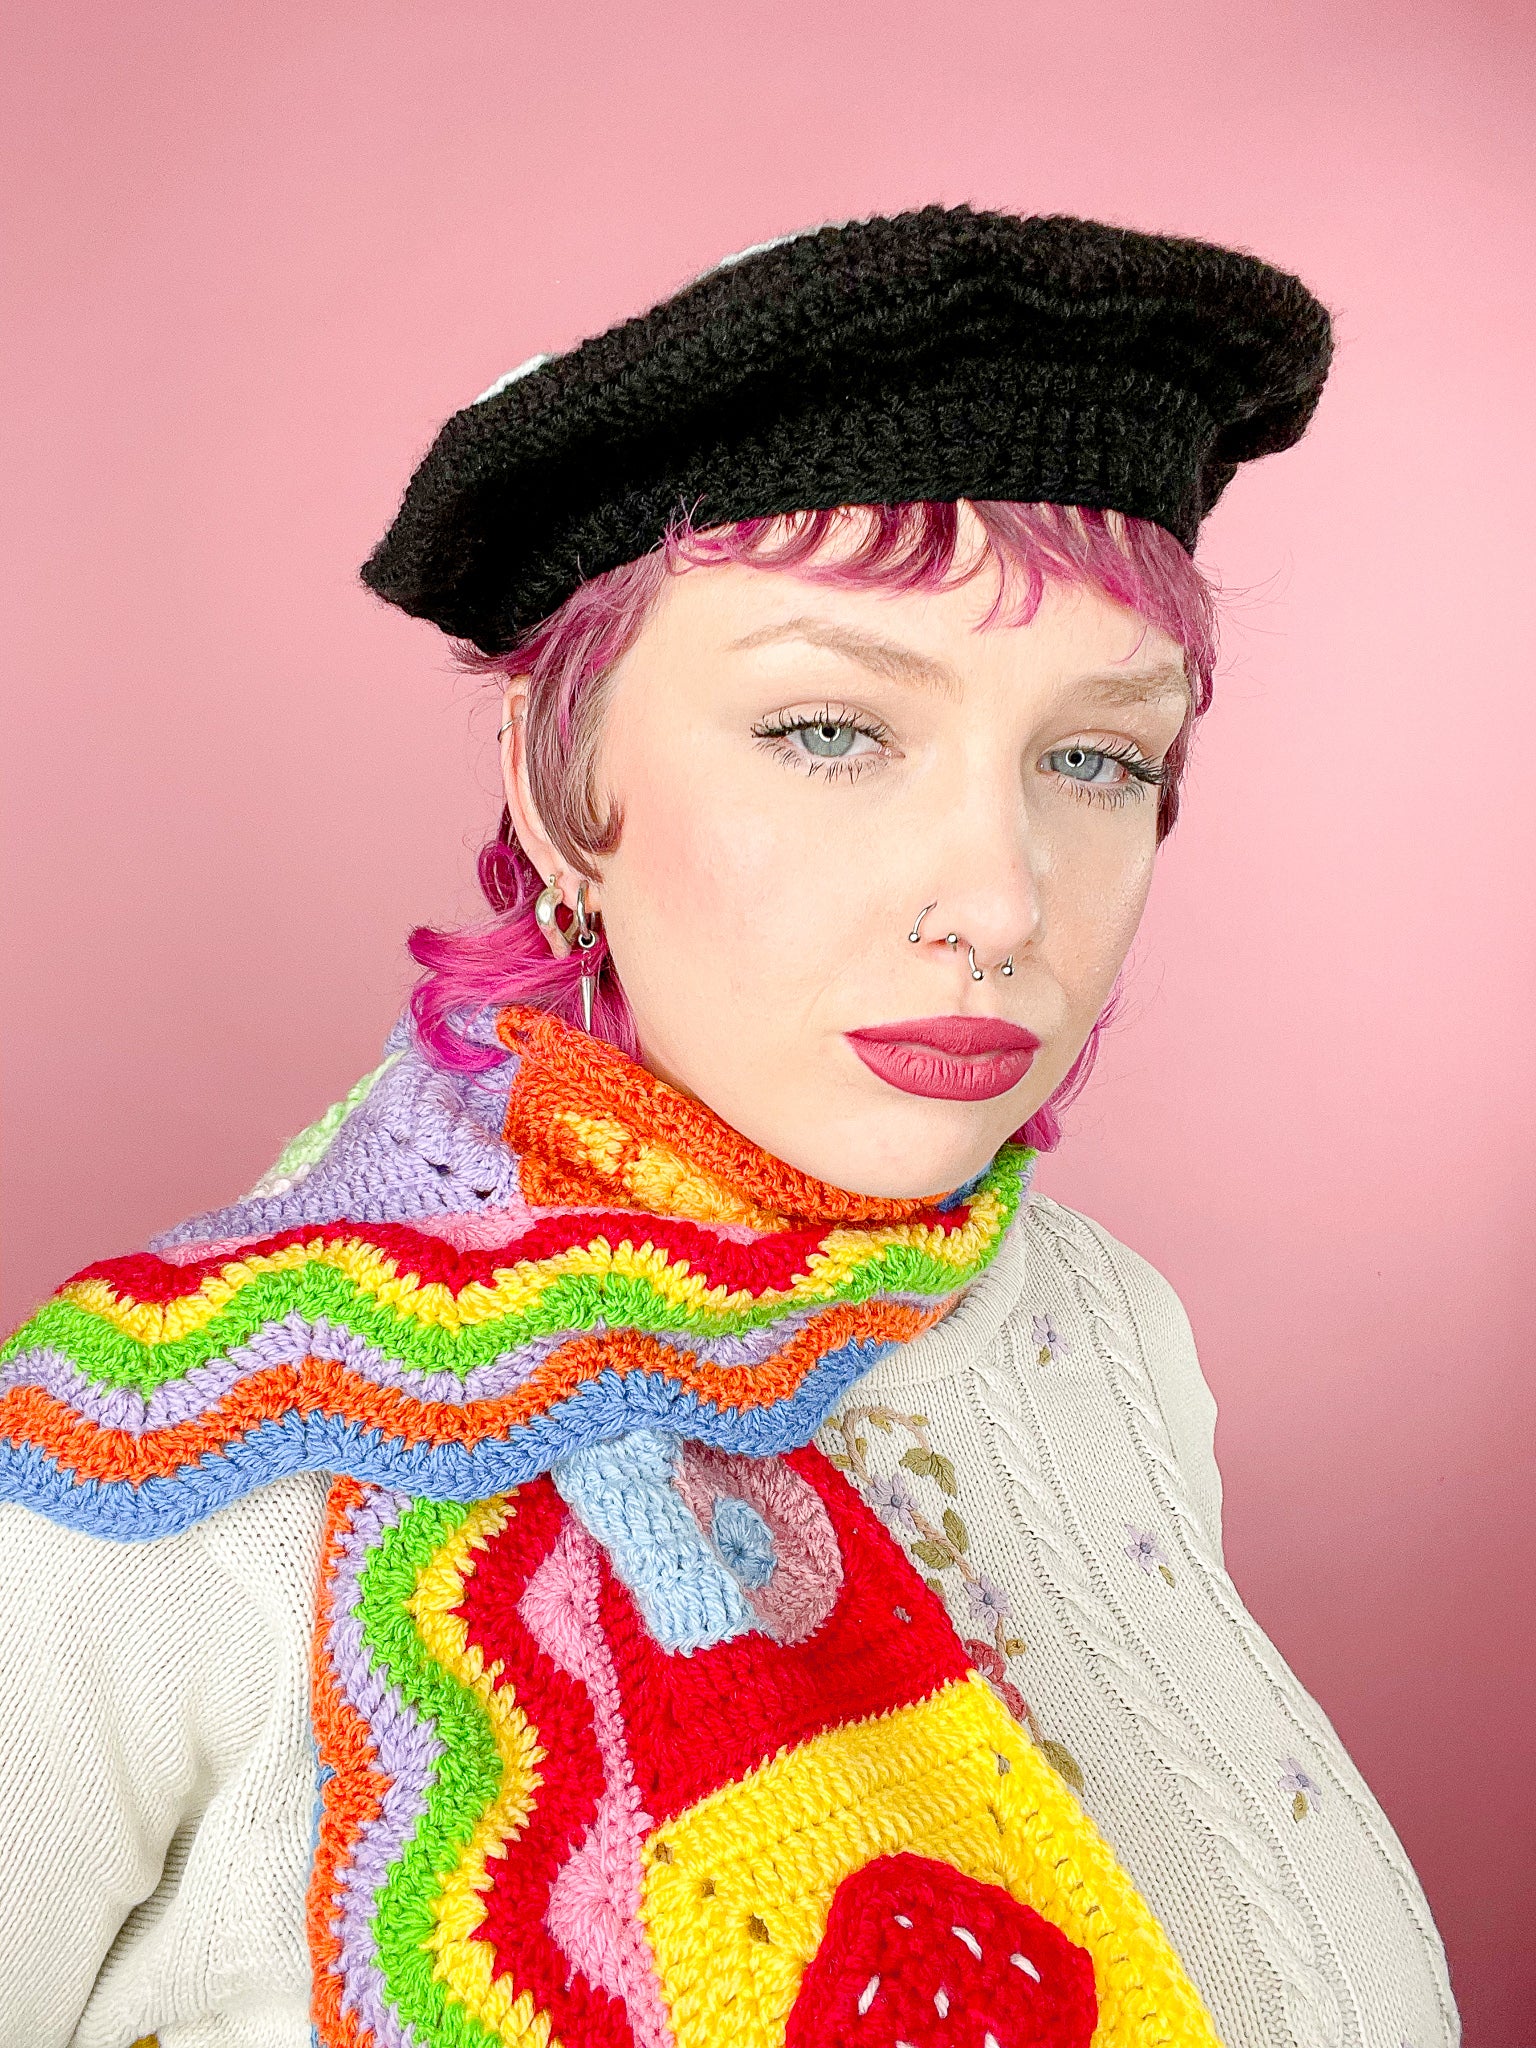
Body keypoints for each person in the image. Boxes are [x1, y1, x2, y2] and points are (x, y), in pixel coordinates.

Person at [0, 207, 1458, 2048]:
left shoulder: (1102, 1330)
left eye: (1096, 758)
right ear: (558, 785)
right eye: (832, 731)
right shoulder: (179, 1456)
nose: (1001, 900)